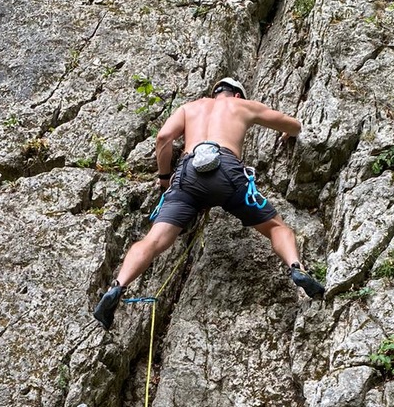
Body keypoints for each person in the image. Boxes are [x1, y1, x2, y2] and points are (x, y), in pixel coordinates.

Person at [93, 77, 325, 330]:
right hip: (227, 171)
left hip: (188, 174)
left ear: (215, 93)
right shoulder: (241, 106)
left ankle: (118, 285)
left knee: (154, 240)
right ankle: (296, 267)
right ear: (237, 95)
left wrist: (163, 179)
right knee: (276, 227)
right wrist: (287, 131)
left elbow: (163, 138)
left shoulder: (189, 108)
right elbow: (295, 125)